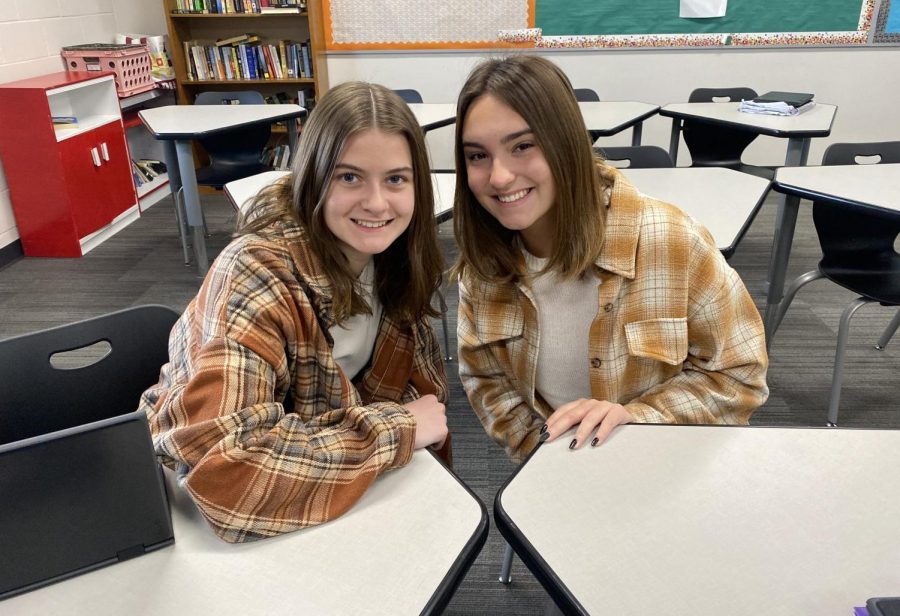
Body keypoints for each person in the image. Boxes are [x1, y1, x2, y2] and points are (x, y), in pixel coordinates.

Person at [139, 82, 449, 543]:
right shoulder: (254, 272)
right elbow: (227, 470)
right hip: (206, 518)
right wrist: (396, 431)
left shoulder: (393, 261)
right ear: (314, 178)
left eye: (396, 179)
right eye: (349, 177)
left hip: (322, 483)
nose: (378, 202)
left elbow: (423, 403)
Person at [453, 55, 769, 463]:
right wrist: (547, 458)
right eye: (477, 156)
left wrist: (638, 421)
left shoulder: (672, 242)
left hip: (666, 464)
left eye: (523, 146)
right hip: (555, 470)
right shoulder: (483, 266)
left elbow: (740, 375)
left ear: (565, 142)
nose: (498, 177)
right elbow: (486, 381)